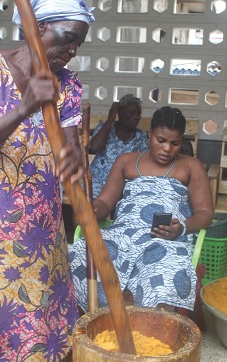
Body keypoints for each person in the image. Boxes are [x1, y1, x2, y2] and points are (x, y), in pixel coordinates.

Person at [0, 0, 94, 361]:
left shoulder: (69, 85)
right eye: (69, 39)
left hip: (41, 231)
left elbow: (69, 147)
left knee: (38, 326)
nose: (73, 50)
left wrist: (73, 160)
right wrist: (25, 106)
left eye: (78, 44)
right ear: (38, 27)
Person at [70, 106, 214, 313]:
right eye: (161, 140)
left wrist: (181, 227)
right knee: (80, 255)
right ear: (149, 135)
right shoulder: (126, 161)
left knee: (168, 271)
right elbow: (105, 202)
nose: (167, 149)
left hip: (166, 238)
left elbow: (205, 214)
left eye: (175, 143)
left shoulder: (191, 166)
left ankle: (153, 332)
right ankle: (93, 322)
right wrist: (91, 210)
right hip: (122, 234)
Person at [89, 94, 148, 197]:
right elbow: (94, 147)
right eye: (132, 113)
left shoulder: (140, 136)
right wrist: (110, 119)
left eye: (139, 114)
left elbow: (143, 164)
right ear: (120, 112)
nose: (136, 117)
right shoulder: (105, 128)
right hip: (97, 183)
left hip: (123, 186)